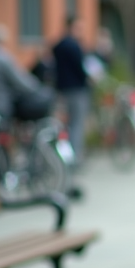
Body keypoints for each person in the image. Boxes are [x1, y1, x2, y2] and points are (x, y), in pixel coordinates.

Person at [52, 16, 90, 166]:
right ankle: (74, 158)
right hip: (77, 90)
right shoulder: (74, 46)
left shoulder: (58, 45)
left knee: (63, 126)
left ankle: (62, 157)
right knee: (76, 125)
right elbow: (81, 69)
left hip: (61, 90)